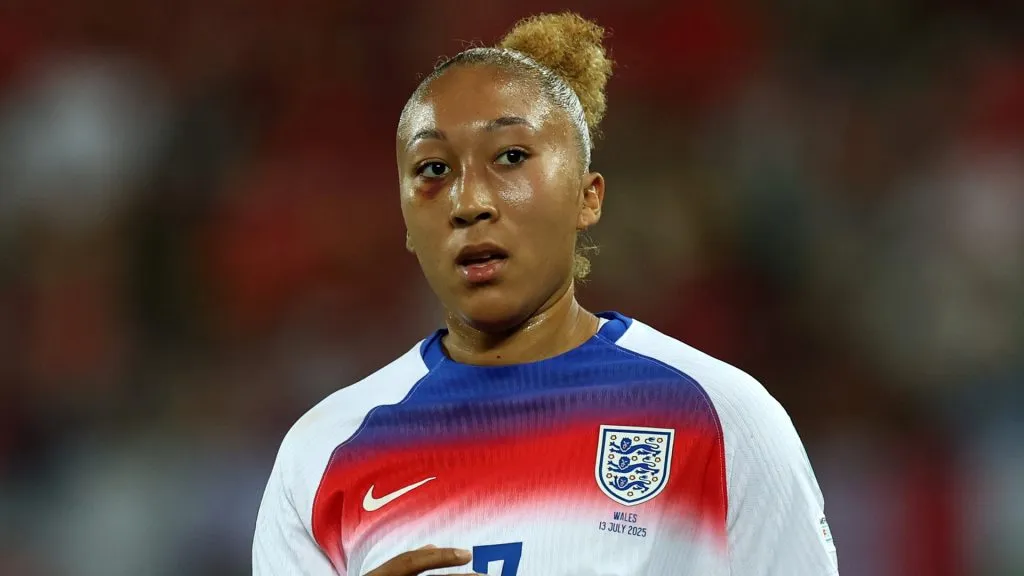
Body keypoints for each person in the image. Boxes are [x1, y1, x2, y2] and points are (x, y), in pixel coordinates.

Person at [253, 12, 838, 576]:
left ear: (589, 197)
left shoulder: (720, 418)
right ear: (405, 220)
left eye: (510, 157)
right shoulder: (322, 453)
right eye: (433, 169)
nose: (468, 203)